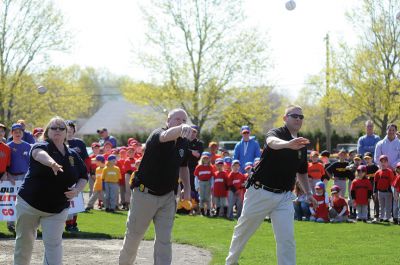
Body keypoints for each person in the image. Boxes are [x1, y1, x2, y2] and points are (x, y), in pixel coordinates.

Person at [226, 105, 315, 265]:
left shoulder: (302, 143)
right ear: (285, 118)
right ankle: (231, 262)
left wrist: (308, 193)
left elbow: (301, 171)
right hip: (260, 191)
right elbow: (271, 142)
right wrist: (288, 144)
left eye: (301, 117)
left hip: (285, 197)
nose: (298, 119)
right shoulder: (277, 133)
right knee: (243, 231)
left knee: (286, 239)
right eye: (294, 115)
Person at [119, 108, 193, 265]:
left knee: (164, 240)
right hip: (145, 194)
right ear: (168, 121)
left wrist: (187, 189)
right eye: (177, 119)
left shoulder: (184, 142)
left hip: (167, 196)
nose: (181, 123)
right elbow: (166, 136)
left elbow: (183, 166)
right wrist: (181, 129)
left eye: (183, 120)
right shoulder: (158, 134)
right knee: (134, 236)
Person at [14, 116, 88, 265]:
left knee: (54, 246)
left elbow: (83, 176)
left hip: (57, 208)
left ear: (67, 132)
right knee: (24, 243)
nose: (58, 130)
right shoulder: (41, 145)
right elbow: (38, 155)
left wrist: (77, 190)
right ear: (48, 131)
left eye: (61, 128)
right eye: (54, 127)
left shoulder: (72, 154)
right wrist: (52, 163)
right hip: (29, 204)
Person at [65, 120, 90, 232]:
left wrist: (87, 172)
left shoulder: (80, 143)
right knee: (67, 200)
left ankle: (74, 223)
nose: (69, 132)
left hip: (79, 176)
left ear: (74, 131)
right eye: (67, 130)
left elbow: (86, 159)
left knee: (77, 201)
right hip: (66, 176)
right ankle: (68, 224)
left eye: (71, 130)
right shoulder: (60, 143)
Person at [6, 123, 32, 232]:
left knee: (24, 201)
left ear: (23, 133)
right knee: (10, 201)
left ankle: (24, 223)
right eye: (15, 132)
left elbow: (31, 163)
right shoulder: (8, 146)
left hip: (24, 176)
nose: (17, 134)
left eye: (20, 132)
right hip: (10, 177)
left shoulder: (28, 146)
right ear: (12, 133)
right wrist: (8, 175)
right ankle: (10, 224)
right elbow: (4, 163)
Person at [374, 155, 395, 222]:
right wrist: (375, 192)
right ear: (379, 163)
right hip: (380, 192)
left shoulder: (390, 171)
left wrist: (392, 192)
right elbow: (375, 183)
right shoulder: (377, 172)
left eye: (384, 162)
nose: (383, 163)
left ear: (387, 162)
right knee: (381, 205)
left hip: (388, 192)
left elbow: (392, 182)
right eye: (381, 162)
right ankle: (382, 217)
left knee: (388, 205)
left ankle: (388, 217)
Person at [194, 152, 214, 216]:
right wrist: (197, 186)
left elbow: (212, 177)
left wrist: (212, 186)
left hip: (208, 183)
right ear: (202, 159)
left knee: (208, 198)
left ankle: (208, 211)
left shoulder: (210, 167)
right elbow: (196, 177)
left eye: (207, 159)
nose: (205, 160)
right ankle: (202, 212)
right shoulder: (199, 167)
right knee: (201, 198)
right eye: (204, 158)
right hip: (201, 182)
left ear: (209, 160)